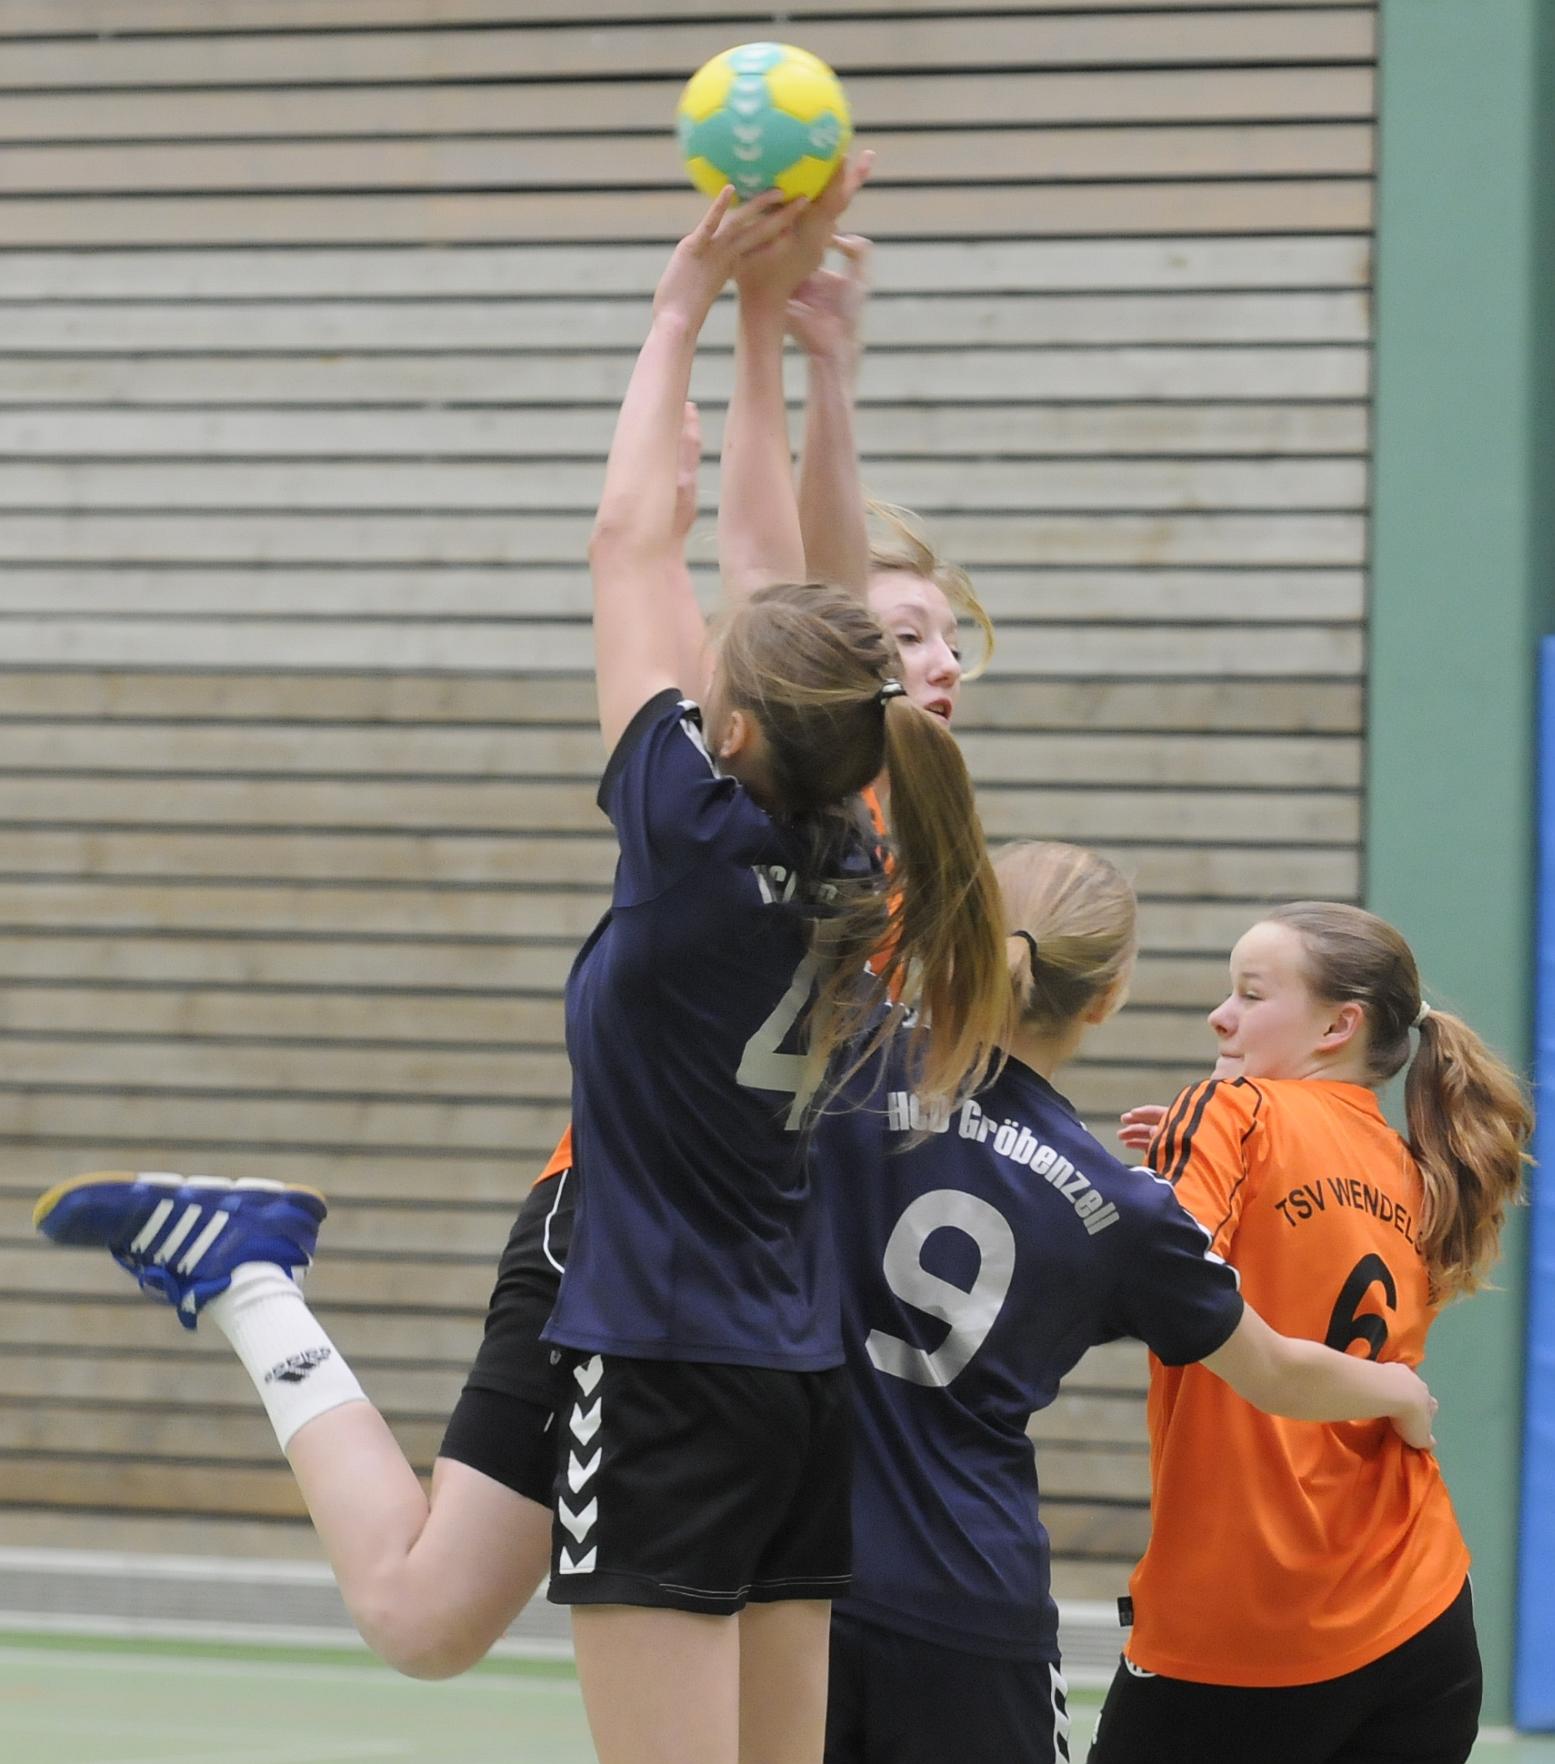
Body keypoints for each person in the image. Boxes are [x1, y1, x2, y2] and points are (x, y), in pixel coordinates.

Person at [36, 173, 1016, 1764]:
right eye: (900, 638)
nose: (927, 658)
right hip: (686, 1293)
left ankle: (248, 1280)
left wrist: (701, 309)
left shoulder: (712, 832)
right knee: (428, 1620)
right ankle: (247, 1276)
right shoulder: (892, 851)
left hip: (695, 1321)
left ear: (745, 717)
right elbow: (789, 573)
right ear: (866, 706)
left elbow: (695, 550)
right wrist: (793, 346)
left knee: (424, 1623)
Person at [812, 847, 1440, 1764]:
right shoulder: (1125, 1208)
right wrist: (1397, 1392)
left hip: (789, 1565)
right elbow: (1274, 1372)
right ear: (1104, 1000)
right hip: (968, 1590)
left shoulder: (848, 1060)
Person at [1091, 901, 1532, 1764]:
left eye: (1250, 995)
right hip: (1421, 1610)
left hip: (1247, 1619)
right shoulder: (1417, 1168)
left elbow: (1155, 1280)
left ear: (1339, 1024)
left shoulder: (1232, 1110)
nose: (1220, 1016)